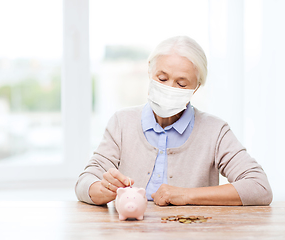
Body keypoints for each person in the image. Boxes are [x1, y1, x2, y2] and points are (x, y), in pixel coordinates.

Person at [75, 36, 273, 206]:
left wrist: (186, 195)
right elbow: (84, 181)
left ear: (195, 88)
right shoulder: (121, 122)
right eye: (162, 79)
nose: (169, 88)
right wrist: (102, 190)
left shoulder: (215, 131)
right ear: (150, 74)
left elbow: (259, 187)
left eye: (181, 83)